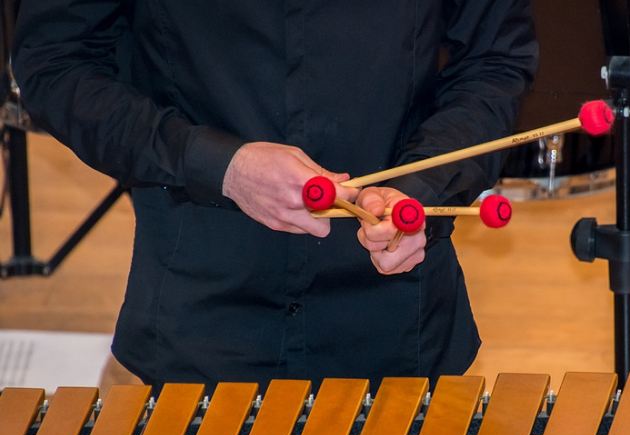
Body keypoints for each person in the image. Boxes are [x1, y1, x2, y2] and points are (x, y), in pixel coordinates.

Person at [12, 1, 538, 392]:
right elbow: (56, 63)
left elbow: (494, 61)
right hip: (199, 320)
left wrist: (419, 190)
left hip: (399, 321)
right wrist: (221, 166)